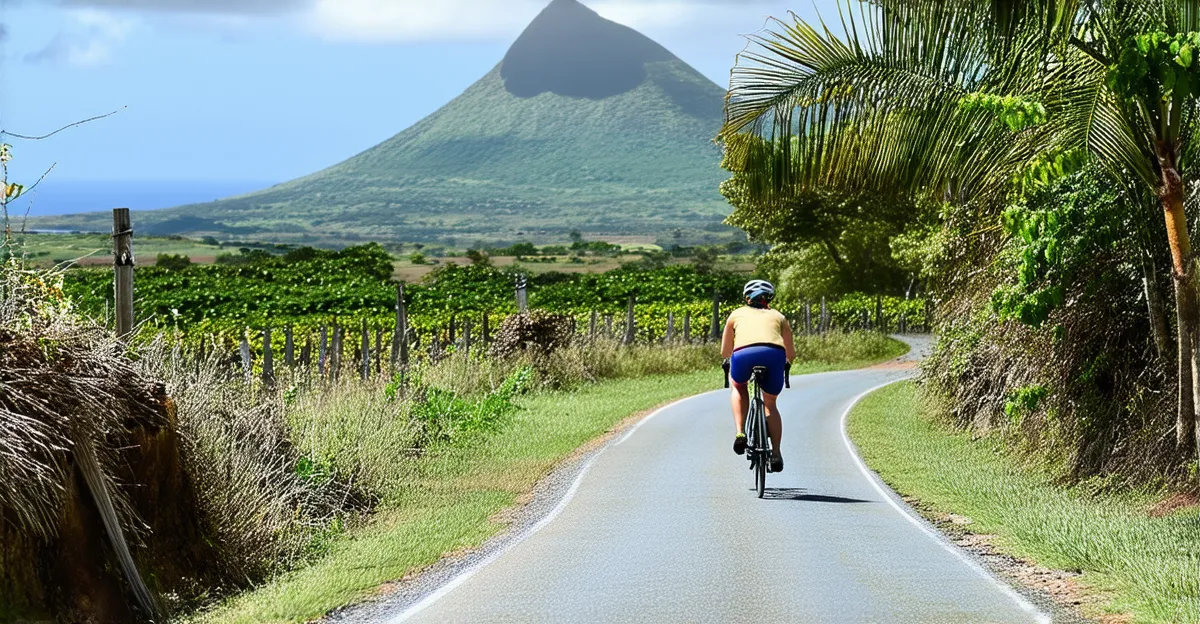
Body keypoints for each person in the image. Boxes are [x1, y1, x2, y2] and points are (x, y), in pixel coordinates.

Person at [721, 279, 796, 472]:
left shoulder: (736, 315)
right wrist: (786, 363)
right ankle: (776, 453)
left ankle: (740, 433)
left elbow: (725, 351)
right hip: (774, 354)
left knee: (738, 385)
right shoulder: (779, 316)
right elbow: (791, 354)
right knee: (770, 403)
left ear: (747, 298)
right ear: (768, 298)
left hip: (744, 354)